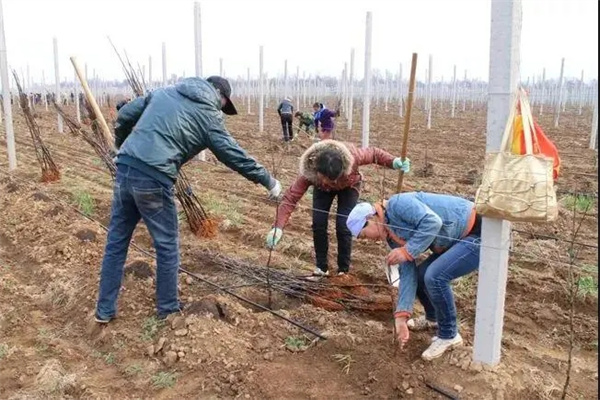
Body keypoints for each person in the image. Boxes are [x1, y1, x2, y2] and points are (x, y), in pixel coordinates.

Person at [94, 76, 282, 323]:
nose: (222, 108)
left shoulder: (164, 92)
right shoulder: (208, 115)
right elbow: (231, 154)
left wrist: (121, 145)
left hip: (126, 168)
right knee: (167, 244)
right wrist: (268, 180)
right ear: (220, 96)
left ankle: (104, 310)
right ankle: (168, 310)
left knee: (116, 241)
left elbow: (126, 114)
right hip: (154, 177)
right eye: (224, 103)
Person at [345, 192, 482, 361]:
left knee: (435, 276)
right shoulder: (391, 234)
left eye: (364, 235)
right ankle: (433, 319)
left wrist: (407, 251)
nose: (367, 240)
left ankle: (449, 335)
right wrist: (401, 317)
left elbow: (433, 222)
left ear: (371, 218)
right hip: (456, 239)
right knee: (420, 276)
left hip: (477, 233)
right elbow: (407, 272)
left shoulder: (398, 204)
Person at [265, 140, 410, 276]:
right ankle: (321, 268)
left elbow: (373, 153)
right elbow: (291, 198)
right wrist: (278, 227)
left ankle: (343, 271)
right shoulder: (309, 173)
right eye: (327, 178)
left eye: (333, 179)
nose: (331, 182)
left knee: (344, 224)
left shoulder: (352, 156)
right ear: (318, 172)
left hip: (349, 186)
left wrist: (393, 161)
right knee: (319, 223)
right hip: (321, 189)